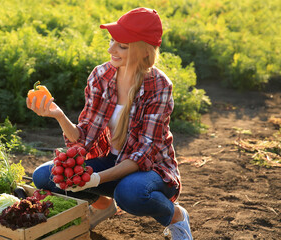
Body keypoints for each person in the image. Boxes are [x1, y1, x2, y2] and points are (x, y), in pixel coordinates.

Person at [26, 7, 192, 240]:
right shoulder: (101, 76)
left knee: (130, 194)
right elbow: (84, 137)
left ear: (144, 51)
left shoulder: (159, 86)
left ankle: (176, 216)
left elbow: (142, 154)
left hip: (151, 169)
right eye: (112, 41)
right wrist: (59, 115)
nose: (110, 49)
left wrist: (95, 179)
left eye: (122, 46)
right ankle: (103, 203)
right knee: (45, 177)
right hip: (112, 160)